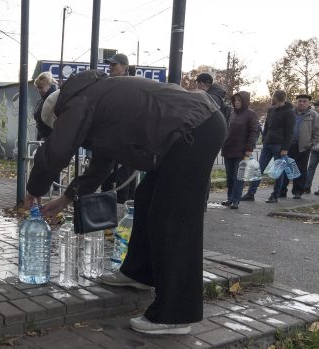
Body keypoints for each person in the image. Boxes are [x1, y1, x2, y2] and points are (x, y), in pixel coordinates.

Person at [25, 70, 226, 335]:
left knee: (172, 219)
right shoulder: (96, 102)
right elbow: (102, 164)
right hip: (187, 131)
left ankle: (175, 315)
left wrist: (34, 190)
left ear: (59, 118)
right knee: (146, 200)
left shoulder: (78, 102)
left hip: (193, 130)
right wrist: (65, 199)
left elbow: (57, 150)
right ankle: (139, 273)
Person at [241, 90, 295, 203]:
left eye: (273, 96)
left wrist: (285, 148)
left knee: (278, 171)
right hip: (268, 144)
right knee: (259, 169)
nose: (272, 98)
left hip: (279, 145)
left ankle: (275, 195)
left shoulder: (289, 112)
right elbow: (266, 125)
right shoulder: (271, 110)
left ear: (277, 97)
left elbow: (290, 132)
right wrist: (265, 138)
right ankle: (251, 193)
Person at [101, 52, 135, 202]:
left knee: (123, 179)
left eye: (114, 65)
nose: (110, 67)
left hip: (126, 140)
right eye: (110, 64)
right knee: (108, 180)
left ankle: (124, 211)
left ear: (124, 67)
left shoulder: (130, 85)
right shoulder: (110, 84)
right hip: (111, 139)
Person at [220, 91, 260, 209]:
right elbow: (227, 129)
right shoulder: (232, 113)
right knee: (230, 176)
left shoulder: (250, 114)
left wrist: (249, 148)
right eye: (235, 100)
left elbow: (254, 131)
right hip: (228, 149)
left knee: (238, 176)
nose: (236, 103)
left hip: (241, 150)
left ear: (245, 102)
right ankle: (230, 198)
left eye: (239, 100)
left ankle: (236, 200)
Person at [280, 94, 319, 199]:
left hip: (303, 147)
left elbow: (317, 132)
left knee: (301, 170)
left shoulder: (313, 115)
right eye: (299, 101)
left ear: (309, 103)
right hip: (288, 146)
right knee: (286, 168)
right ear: (296, 102)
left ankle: (298, 191)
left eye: (304, 101)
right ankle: (282, 190)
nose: (301, 103)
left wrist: (311, 144)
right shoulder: (290, 113)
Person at [32, 72, 57, 141]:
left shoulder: (55, 99)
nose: (39, 90)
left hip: (51, 137)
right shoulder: (42, 100)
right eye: (38, 88)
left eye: (41, 87)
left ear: (48, 85)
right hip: (44, 136)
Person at [305, 101, 319, 195]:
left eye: (317, 107)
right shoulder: (314, 117)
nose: (315, 108)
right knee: (311, 167)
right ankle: (306, 187)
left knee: (311, 167)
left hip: (315, 145)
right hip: (315, 147)